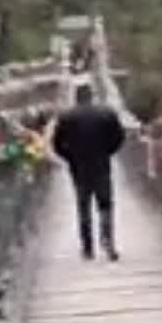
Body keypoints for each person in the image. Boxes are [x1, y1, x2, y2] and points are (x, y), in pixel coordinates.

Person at [52, 84, 125, 261]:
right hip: (101, 165)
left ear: (76, 98)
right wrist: (107, 152)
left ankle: (87, 248)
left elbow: (56, 144)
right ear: (91, 96)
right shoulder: (107, 114)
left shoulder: (66, 117)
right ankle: (108, 242)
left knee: (83, 207)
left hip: (79, 168)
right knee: (105, 205)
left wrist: (70, 157)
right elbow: (119, 137)